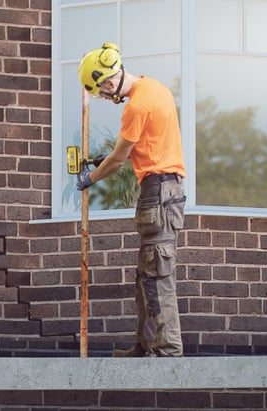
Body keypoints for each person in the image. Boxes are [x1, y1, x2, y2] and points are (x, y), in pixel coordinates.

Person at [76, 42, 187, 357]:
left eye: (101, 91)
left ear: (109, 82)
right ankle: (144, 346)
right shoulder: (154, 87)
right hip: (163, 192)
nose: (105, 96)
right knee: (145, 277)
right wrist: (103, 159)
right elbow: (140, 146)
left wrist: (90, 178)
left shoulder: (136, 106)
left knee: (158, 276)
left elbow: (118, 161)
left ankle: (168, 353)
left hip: (159, 193)